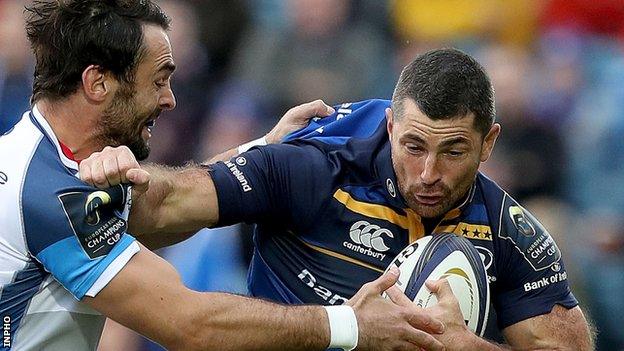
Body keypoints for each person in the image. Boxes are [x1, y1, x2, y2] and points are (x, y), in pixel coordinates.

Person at [0, 1, 447, 350]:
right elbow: (189, 325)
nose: (170, 100)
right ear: (98, 83)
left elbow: (169, 206)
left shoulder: (45, 164)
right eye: (158, 81)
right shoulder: (48, 193)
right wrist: (350, 324)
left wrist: (261, 152)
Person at [84, 48, 595, 350]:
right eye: (413, 146)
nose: (429, 173)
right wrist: (117, 182)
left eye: (454, 151)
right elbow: (167, 204)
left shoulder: (508, 230)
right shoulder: (317, 164)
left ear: (490, 143)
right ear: (391, 127)